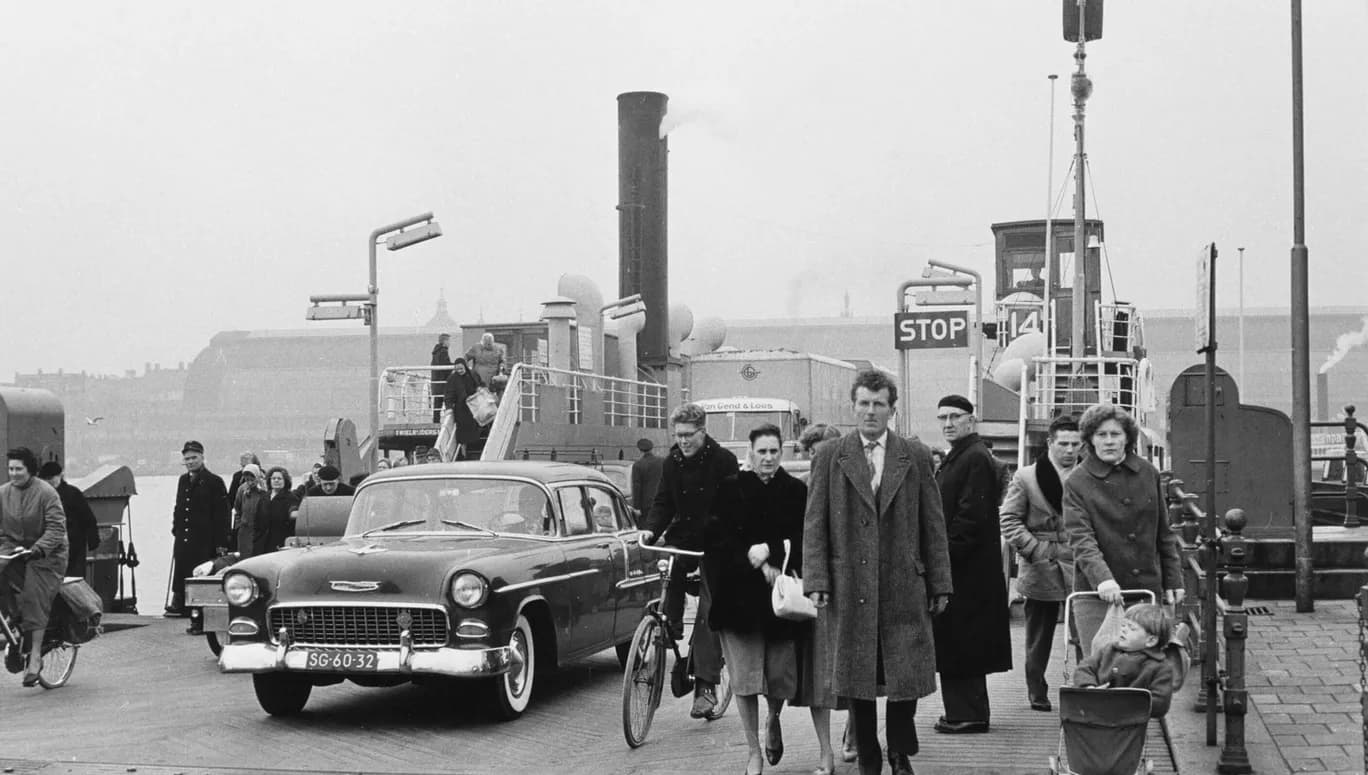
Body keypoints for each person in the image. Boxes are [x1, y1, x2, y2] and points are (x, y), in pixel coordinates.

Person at [804, 370, 952, 775]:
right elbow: (814, 522)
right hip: (849, 582)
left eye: (879, 404)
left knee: (907, 670)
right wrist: (816, 578)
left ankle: (899, 747)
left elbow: (933, 524)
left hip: (905, 581)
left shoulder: (915, 455)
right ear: (853, 407)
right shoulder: (831, 455)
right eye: (864, 403)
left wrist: (940, 583)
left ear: (892, 409)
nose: (871, 411)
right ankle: (868, 752)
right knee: (857, 674)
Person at [705, 424, 811, 775]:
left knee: (779, 676)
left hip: (780, 601)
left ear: (783, 453)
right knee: (745, 678)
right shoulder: (729, 489)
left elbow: (803, 536)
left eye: (774, 452)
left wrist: (775, 550)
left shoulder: (796, 491)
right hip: (738, 599)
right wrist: (747, 557)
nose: (768, 458)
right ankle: (753, 751)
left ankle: (774, 717)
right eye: (761, 452)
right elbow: (717, 538)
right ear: (750, 454)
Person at [639, 402, 737, 720]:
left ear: (702, 431)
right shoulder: (672, 462)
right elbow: (663, 501)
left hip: (715, 542)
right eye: (678, 435)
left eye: (688, 435)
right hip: (684, 539)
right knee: (668, 580)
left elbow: (729, 507)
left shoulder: (724, 460)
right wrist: (652, 531)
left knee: (710, 609)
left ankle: (706, 687)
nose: (682, 441)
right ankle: (669, 629)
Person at [931, 394, 1012, 735]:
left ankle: (968, 715)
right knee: (959, 644)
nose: (948, 423)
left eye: (954, 417)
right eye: (942, 418)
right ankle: (963, 712)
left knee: (962, 644)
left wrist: (942, 558)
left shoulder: (973, 458)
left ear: (970, 420)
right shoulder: (964, 456)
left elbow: (970, 518)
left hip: (965, 571)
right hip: (965, 568)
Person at [999, 414, 1082, 712]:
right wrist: (1033, 549)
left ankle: (1087, 688)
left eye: (1075, 444)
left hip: (1079, 560)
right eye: (1063, 444)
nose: (1070, 450)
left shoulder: (1088, 475)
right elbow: (1008, 519)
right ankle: (1036, 689)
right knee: (1038, 633)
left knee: (1085, 628)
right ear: (1049, 443)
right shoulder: (1027, 477)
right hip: (1042, 560)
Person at [1064, 404, 1184, 609]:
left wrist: (1173, 578)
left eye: (1115, 434)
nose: (1109, 441)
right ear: (1091, 439)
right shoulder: (1077, 481)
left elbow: (1163, 532)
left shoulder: (1148, 473)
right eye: (1101, 434)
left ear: (1127, 438)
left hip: (1145, 589)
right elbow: (1081, 538)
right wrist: (1103, 578)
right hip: (1098, 592)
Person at [0, 447, 68, 685]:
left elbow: (57, 528)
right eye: (10, 469)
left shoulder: (46, 492)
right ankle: (14, 618)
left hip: (47, 553)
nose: (14, 473)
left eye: (19, 468)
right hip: (14, 548)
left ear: (30, 469)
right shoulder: (3, 493)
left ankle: (36, 656)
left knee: (33, 595)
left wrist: (39, 548)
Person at [1073, 602, 1176, 718]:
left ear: (1151, 641)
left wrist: (1125, 702)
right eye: (1123, 625)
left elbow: (1160, 704)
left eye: (1131, 628)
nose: (1123, 630)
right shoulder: (1109, 650)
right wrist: (1089, 688)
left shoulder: (1160, 667)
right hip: (1094, 714)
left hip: (1130, 724)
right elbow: (1084, 668)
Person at [169, 441, 229, 624]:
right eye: (187, 459)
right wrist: (176, 528)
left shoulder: (214, 481)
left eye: (194, 458)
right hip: (184, 537)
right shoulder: (183, 480)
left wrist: (221, 543)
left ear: (202, 457)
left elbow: (223, 514)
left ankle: (199, 613)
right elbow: (179, 507)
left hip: (205, 539)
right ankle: (180, 603)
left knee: (201, 575)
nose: (190, 462)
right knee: (182, 571)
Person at [38, 461, 100, 578]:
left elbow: (88, 518)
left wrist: (93, 539)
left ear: (59, 476)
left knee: (72, 578)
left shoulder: (73, 493)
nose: (48, 482)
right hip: (54, 545)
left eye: (50, 478)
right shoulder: (43, 495)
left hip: (74, 544)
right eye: (45, 479)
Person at [442, 358, 484, 460]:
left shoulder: (473, 375)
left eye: (461, 368)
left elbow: (481, 384)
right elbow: (448, 395)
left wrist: (480, 389)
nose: (460, 371)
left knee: (476, 429)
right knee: (462, 435)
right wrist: (448, 408)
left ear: (465, 366)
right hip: (461, 410)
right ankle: (464, 453)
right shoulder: (452, 379)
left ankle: (473, 449)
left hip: (474, 407)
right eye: (457, 369)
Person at [232, 463, 267, 559]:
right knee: (244, 557)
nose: (250, 482)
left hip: (260, 530)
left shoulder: (265, 489)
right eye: (247, 480)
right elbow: (237, 508)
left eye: (252, 479)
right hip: (245, 530)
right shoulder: (242, 489)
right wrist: (239, 524)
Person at [260, 467, 298, 553]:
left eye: (279, 478)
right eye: (273, 478)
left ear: (285, 481)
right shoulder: (264, 497)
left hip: (281, 541)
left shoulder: (291, 498)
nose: (276, 480)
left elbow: (293, 512)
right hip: (263, 542)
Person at [630, 437, 664, 514]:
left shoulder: (638, 465)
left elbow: (637, 486)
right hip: (662, 502)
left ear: (639, 450)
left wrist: (636, 507)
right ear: (652, 448)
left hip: (646, 505)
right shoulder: (662, 461)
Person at [430, 333, 453, 423]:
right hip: (443, 382)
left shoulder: (436, 352)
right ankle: (449, 421)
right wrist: (454, 366)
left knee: (437, 404)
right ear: (445, 341)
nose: (450, 343)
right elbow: (445, 365)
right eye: (449, 341)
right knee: (448, 402)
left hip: (436, 382)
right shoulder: (443, 351)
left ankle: (436, 421)